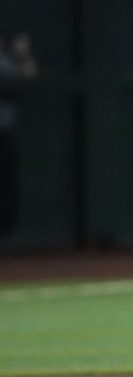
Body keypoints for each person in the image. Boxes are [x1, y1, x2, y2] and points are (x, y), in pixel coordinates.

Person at [0, 32, 37, 235]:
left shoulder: (7, 62)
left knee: (7, 182)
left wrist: (23, 54)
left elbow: (30, 76)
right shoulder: (5, 64)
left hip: (5, 133)